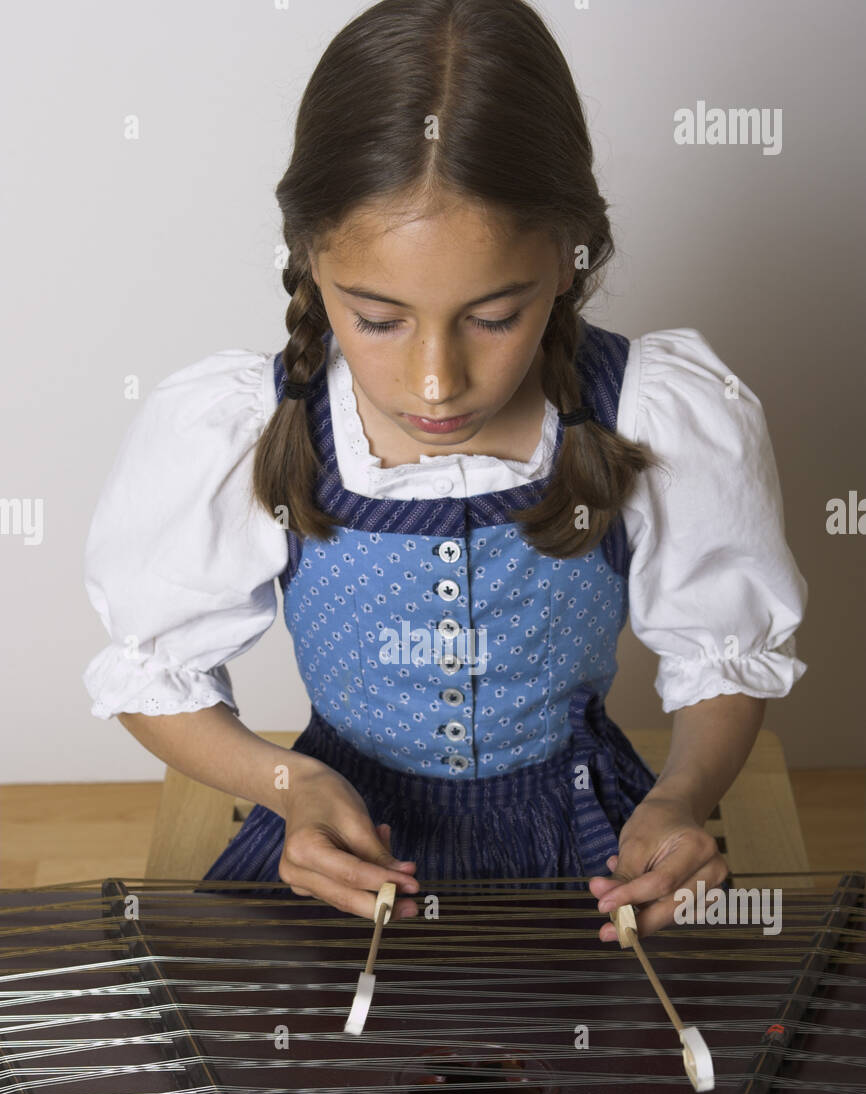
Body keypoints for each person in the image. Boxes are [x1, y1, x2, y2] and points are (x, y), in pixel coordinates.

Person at [82, 0, 807, 941]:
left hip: (586, 844)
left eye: (495, 315)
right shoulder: (247, 430)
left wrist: (683, 795)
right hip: (347, 834)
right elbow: (153, 670)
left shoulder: (656, 413)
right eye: (379, 320)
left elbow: (722, 649)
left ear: (569, 260)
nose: (436, 381)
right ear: (308, 260)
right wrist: (287, 783)